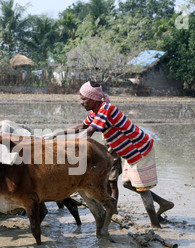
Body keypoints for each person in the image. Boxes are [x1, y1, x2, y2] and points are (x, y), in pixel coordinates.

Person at [44, 80, 174, 228]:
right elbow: (82, 126)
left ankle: (155, 225)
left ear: (94, 99)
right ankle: (163, 203)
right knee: (127, 184)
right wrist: (58, 133)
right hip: (130, 153)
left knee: (142, 189)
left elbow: (89, 132)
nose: (81, 102)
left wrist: (63, 147)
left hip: (141, 149)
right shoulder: (95, 112)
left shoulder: (106, 108)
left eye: (84, 99)